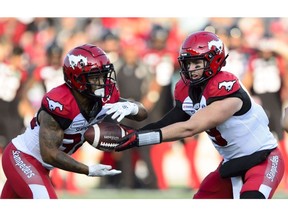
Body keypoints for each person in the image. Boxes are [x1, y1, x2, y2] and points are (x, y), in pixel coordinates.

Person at [114, 31, 285, 199]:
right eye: (188, 63)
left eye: (197, 63)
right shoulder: (186, 89)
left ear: (214, 60)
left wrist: (138, 138)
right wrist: (132, 134)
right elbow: (168, 122)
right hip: (231, 164)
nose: (191, 69)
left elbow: (191, 127)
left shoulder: (226, 86)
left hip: (263, 160)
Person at [0, 44, 148, 199]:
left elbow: (142, 114)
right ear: (77, 79)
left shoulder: (105, 97)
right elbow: (49, 154)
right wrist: (87, 169)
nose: (102, 81)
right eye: (95, 76)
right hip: (23, 157)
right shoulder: (60, 103)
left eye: (104, 74)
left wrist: (131, 107)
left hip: (40, 165)